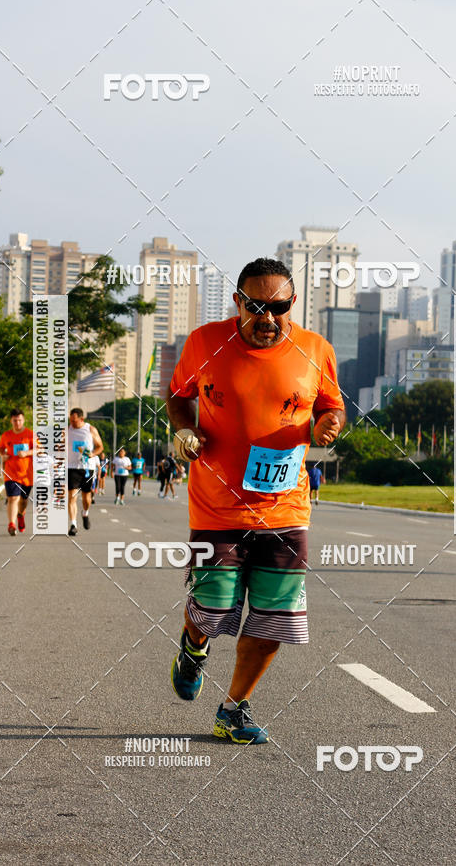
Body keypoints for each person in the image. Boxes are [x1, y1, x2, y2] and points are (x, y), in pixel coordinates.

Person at [167, 257, 344, 744]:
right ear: (237, 303)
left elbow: (332, 405)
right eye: (256, 307)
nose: (267, 318)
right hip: (217, 506)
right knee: (213, 604)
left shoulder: (315, 349)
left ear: (294, 305)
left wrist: (330, 424)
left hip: (285, 509)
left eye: (279, 307)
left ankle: (233, 708)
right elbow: (178, 394)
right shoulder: (205, 342)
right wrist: (184, 427)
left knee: (275, 619)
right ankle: (194, 643)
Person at [0, 408, 35, 536]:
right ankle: (11, 524)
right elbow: (1, 448)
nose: (17, 423)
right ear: (11, 421)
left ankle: (20, 515)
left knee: (23, 501)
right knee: (13, 498)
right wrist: (3, 455)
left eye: (19, 420)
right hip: (11, 473)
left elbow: (39, 450)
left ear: (23, 420)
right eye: (15, 421)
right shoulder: (6, 435)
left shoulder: (30, 434)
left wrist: (27, 452)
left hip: (27, 475)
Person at [67, 408, 103, 536]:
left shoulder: (90, 430)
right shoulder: (67, 430)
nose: (72, 423)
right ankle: (73, 524)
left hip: (88, 468)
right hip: (72, 467)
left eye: (74, 421)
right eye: (70, 420)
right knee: (72, 496)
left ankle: (85, 513)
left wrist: (92, 454)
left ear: (82, 419)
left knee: (86, 498)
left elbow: (100, 446)